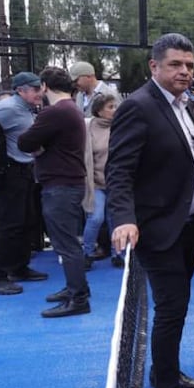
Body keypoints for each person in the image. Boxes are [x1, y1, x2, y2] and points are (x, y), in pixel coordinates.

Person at [106, 33, 194, 388]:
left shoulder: (188, 107)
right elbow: (119, 171)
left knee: (176, 309)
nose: (184, 71)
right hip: (158, 230)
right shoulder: (138, 107)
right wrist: (123, 218)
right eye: (175, 65)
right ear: (154, 66)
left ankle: (165, 371)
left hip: (188, 228)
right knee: (170, 310)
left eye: (188, 64)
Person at [16, 67, 91, 317]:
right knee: (68, 242)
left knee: (66, 244)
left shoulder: (55, 112)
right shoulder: (71, 109)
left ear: (45, 86)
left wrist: (38, 148)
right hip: (67, 183)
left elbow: (24, 142)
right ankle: (76, 288)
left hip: (60, 186)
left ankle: (78, 298)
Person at [0, 72, 47, 295]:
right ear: (21, 90)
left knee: (26, 221)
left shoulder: (25, 109)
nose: (40, 92)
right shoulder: (5, 109)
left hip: (25, 172)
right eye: (35, 89)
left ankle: (18, 267)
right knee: (8, 225)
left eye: (41, 88)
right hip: (10, 175)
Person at [81, 92, 118, 266]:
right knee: (95, 218)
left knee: (115, 219)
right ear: (99, 111)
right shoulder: (87, 127)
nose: (115, 110)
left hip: (116, 182)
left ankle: (118, 254)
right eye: (110, 107)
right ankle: (87, 253)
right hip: (94, 182)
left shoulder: (120, 126)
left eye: (115, 106)